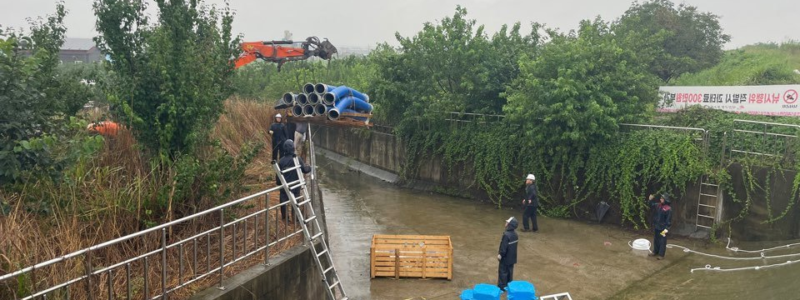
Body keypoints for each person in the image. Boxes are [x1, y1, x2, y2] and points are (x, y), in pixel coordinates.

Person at [276, 140, 312, 220]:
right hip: (295, 186)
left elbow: (278, 177)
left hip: (285, 186)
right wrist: (309, 167)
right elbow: (305, 170)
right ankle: (295, 218)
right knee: (295, 201)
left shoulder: (281, 161)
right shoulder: (297, 159)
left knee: (283, 201)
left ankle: (285, 219)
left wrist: (279, 183)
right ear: (293, 148)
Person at [647, 194, 672, 260]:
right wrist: (650, 200)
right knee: (656, 239)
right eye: (660, 198)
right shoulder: (658, 205)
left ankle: (661, 255)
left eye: (662, 198)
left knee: (662, 241)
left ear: (665, 200)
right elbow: (651, 205)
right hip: (657, 226)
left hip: (663, 228)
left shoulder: (668, 209)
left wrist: (666, 229)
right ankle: (655, 251)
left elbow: (668, 220)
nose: (660, 199)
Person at [497, 216, 519, 291]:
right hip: (512, 258)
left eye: (507, 222)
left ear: (510, 225)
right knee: (510, 271)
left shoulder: (506, 235)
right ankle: (509, 284)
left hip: (505, 258)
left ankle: (502, 287)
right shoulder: (515, 234)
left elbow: (504, 247)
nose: (505, 223)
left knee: (503, 271)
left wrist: (500, 254)